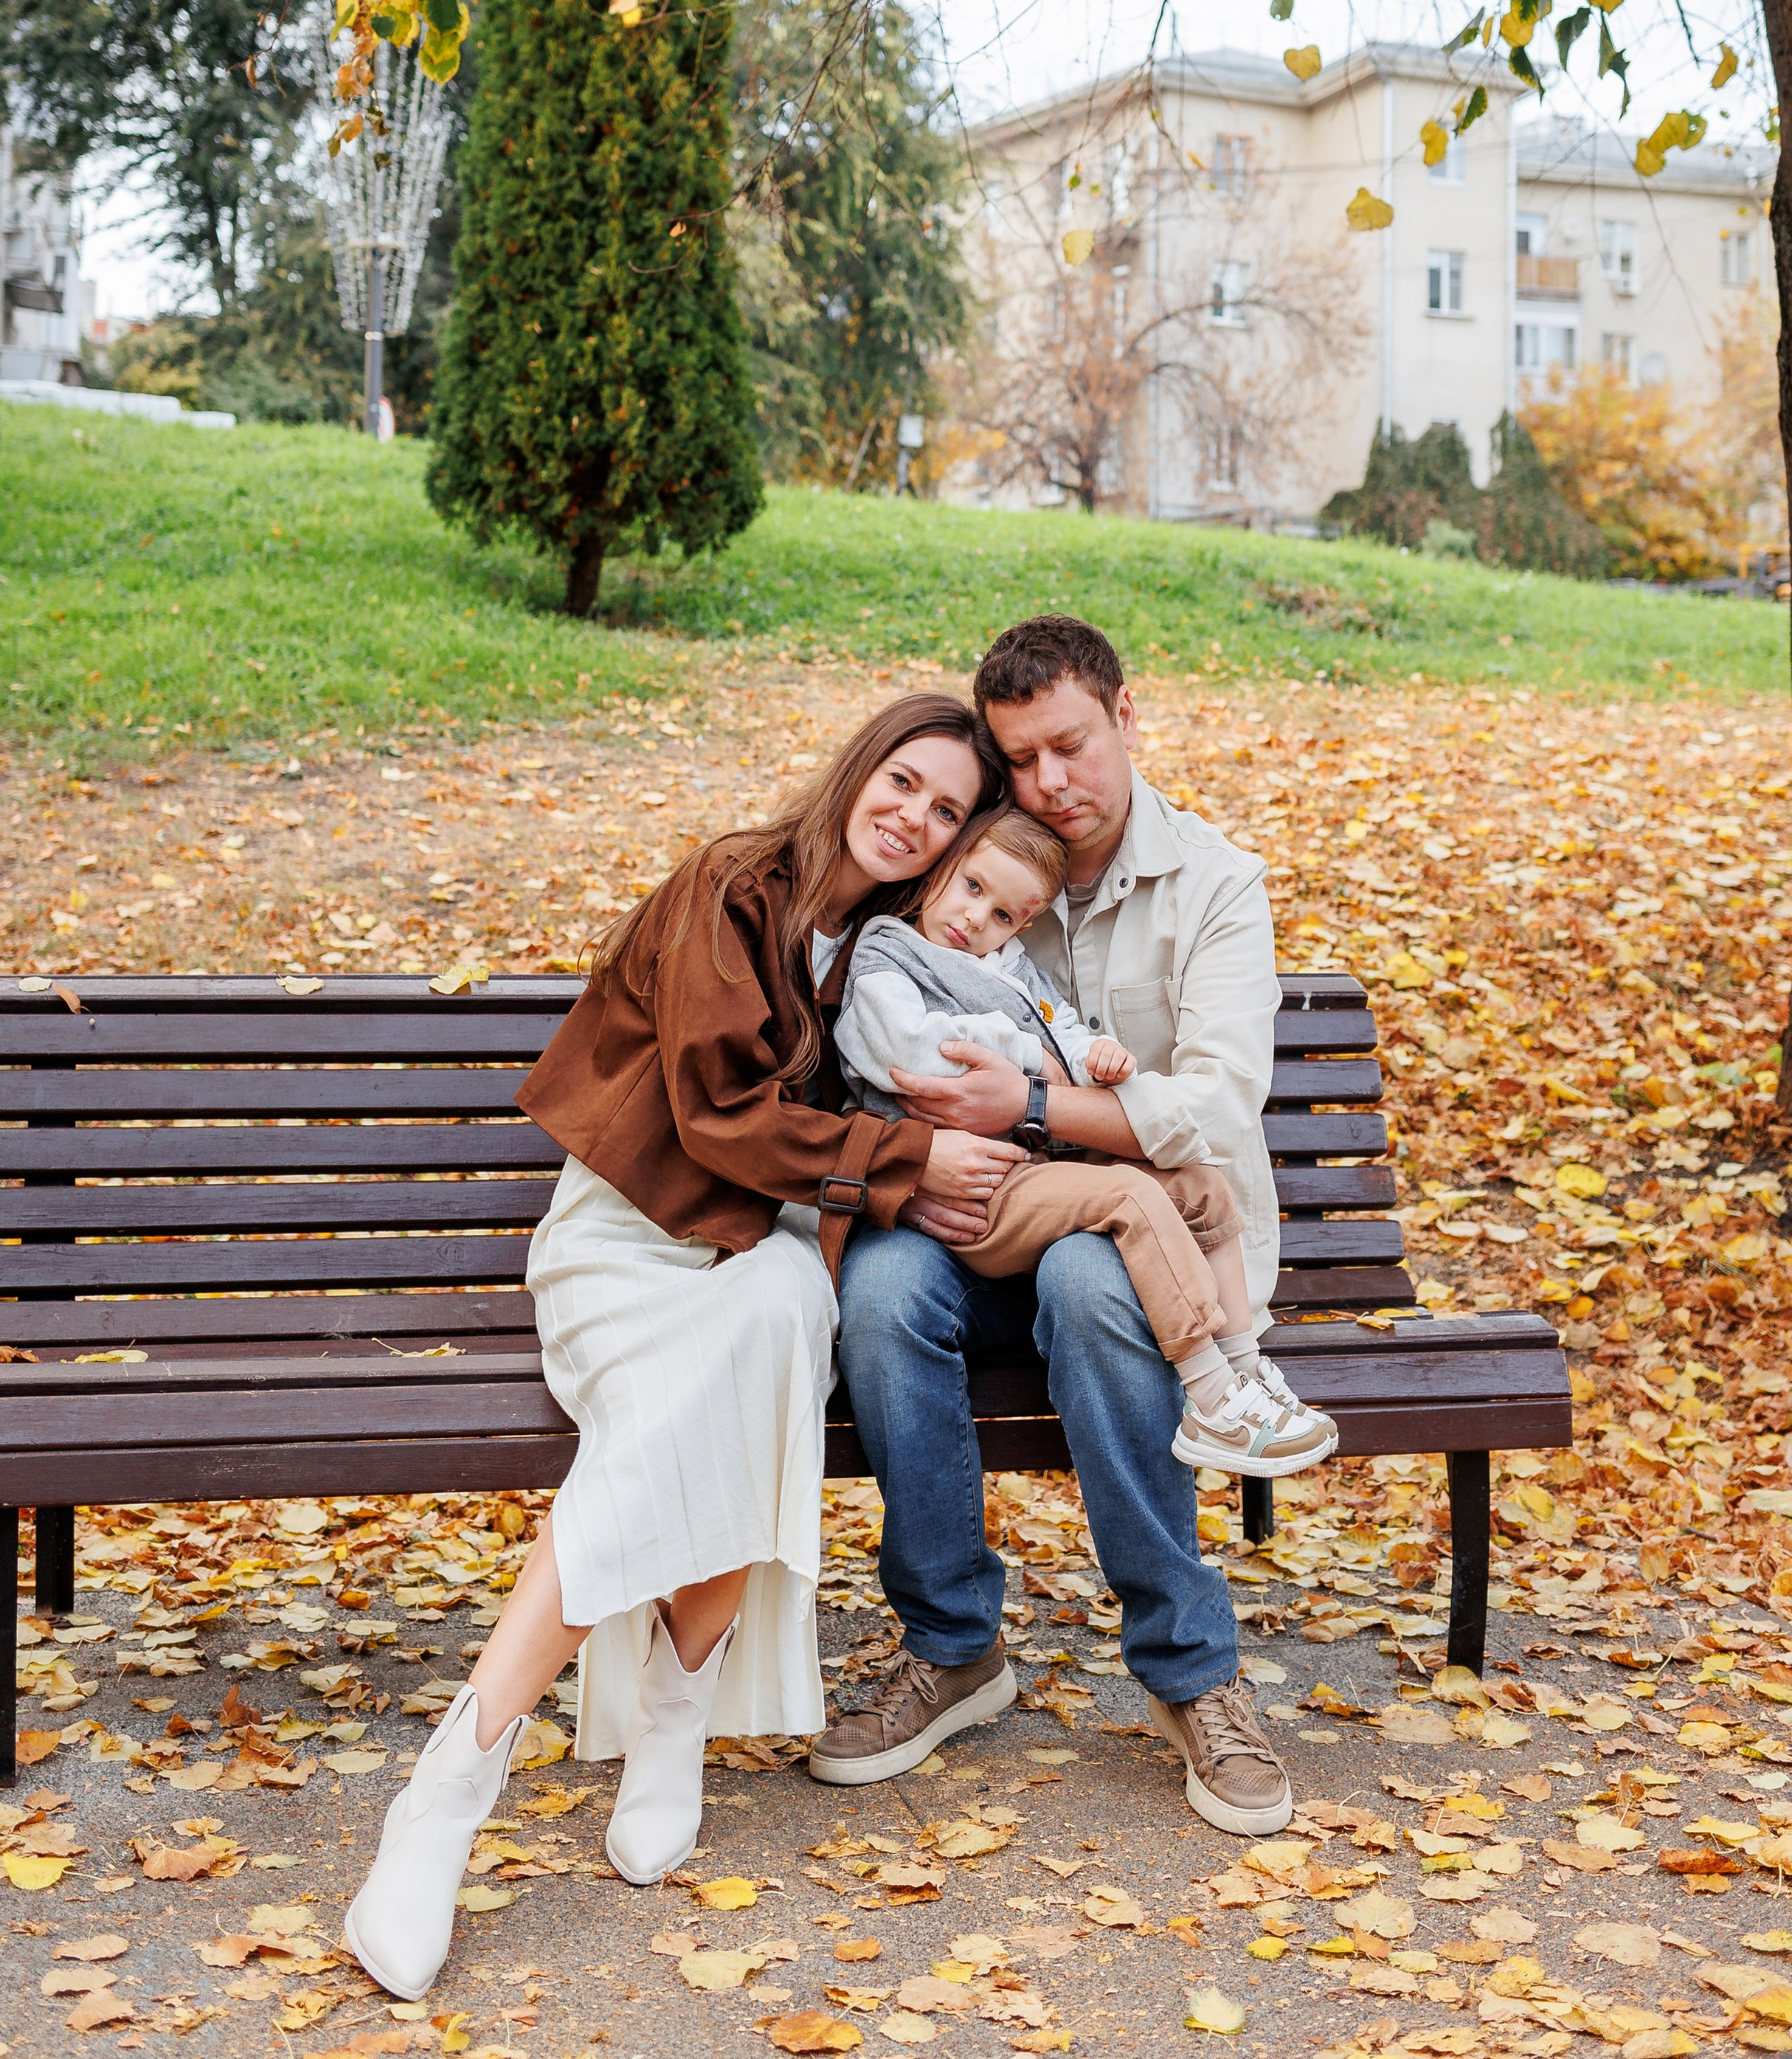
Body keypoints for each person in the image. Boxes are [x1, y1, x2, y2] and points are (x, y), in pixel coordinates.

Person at [343, 693, 1009, 2004]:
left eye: (946, 812)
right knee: (722, 1374)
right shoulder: (732, 886)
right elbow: (715, 1118)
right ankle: (454, 1791)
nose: (917, 819)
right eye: (907, 783)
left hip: (757, 1253)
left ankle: (665, 1725)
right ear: (859, 765)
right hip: (631, 1246)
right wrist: (912, 1153)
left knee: (776, 1315)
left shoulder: (882, 952)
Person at [818, 616, 1332, 1835]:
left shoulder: (1215, 884)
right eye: (1022, 758)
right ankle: (952, 1648)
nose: (1050, 781)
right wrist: (904, 1171)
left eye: (1070, 746)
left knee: (1090, 1291)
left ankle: (1193, 1672)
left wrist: (1039, 1103)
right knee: (883, 1295)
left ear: (1126, 719)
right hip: (973, 1215)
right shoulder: (971, 870)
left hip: (1139, 1247)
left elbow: (1215, 1107)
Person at [834, 804, 1335, 1475]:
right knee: (1129, 1195)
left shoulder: (1003, 962)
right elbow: (918, 1055)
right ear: (941, 870)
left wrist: (1096, 1054)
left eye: (1006, 915)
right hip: (981, 1188)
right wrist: (1027, 1055)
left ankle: (1245, 1373)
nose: (978, 920)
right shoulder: (886, 955)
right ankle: (1211, 1396)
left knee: (1202, 1187)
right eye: (973, 888)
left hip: (1034, 1172)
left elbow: (1059, 1025)